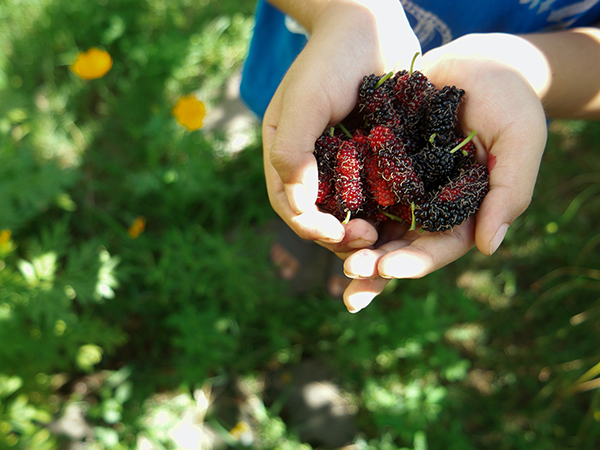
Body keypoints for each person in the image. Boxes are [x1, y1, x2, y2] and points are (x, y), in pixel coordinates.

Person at [240, 0, 600, 313]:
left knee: (343, 224)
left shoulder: (420, 153)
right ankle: (319, 234)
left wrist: (522, 69)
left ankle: (331, 238)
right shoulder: (373, 129)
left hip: (507, 64)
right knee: (301, 165)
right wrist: (342, 11)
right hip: (322, 62)